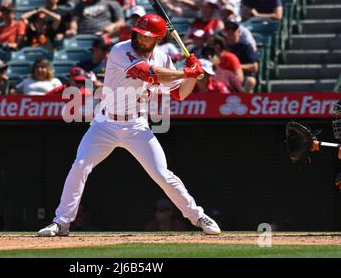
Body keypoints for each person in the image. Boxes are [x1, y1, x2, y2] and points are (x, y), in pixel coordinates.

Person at [37, 14, 221, 237]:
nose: (141, 38)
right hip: (105, 123)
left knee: (162, 174)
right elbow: (148, 74)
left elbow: (180, 93)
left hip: (137, 125)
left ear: (158, 39)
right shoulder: (120, 50)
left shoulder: (163, 58)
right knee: (80, 165)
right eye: (139, 33)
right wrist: (186, 72)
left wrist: (193, 75)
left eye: (147, 36)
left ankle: (197, 216)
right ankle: (62, 222)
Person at [223, 19, 259, 93]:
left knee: (251, 81)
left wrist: (236, 67)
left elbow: (255, 67)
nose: (230, 32)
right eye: (228, 30)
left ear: (239, 32)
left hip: (242, 76)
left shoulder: (246, 47)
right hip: (223, 76)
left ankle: (243, 101)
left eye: (233, 30)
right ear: (224, 32)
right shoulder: (221, 47)